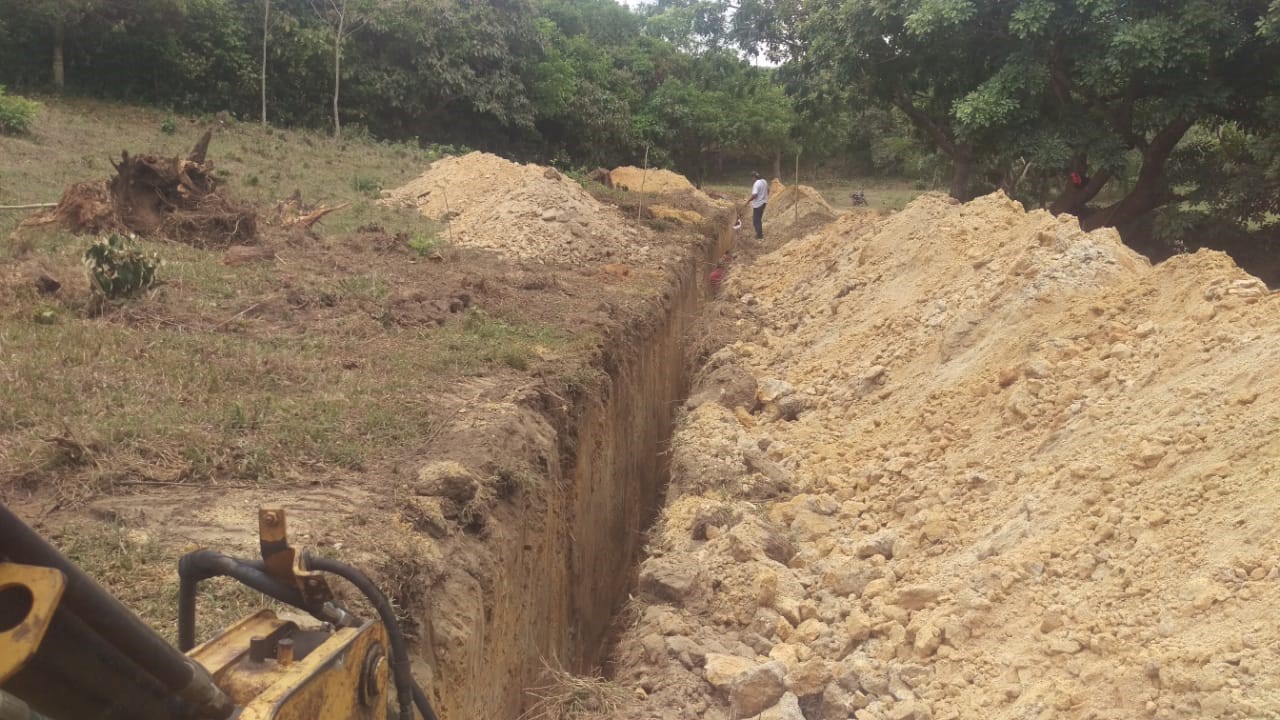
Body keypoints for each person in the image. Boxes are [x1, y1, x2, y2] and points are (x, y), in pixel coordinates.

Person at [746, 171, 768, 240]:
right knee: (758, 219)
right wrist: (764, 196)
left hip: (758, 204)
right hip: (764, 202)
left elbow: (755, 195)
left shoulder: (756, 184)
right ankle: (759, 233)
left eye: (752, 178)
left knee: (756, 220)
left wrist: (748, 200)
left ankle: (759, 235)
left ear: (754, 177)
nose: (752, 179)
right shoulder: (764, 181)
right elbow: (768, 190)